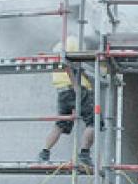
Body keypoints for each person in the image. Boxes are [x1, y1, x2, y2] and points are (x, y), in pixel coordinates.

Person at [38, 36, 99, 168]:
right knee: (94, 122)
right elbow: (69, 63)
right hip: (76, 88)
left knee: (60, 124)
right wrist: (76, 85)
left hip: (62, 90)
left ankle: (44, 153)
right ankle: (84, 154)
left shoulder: (58, 45)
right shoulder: (74, 41)